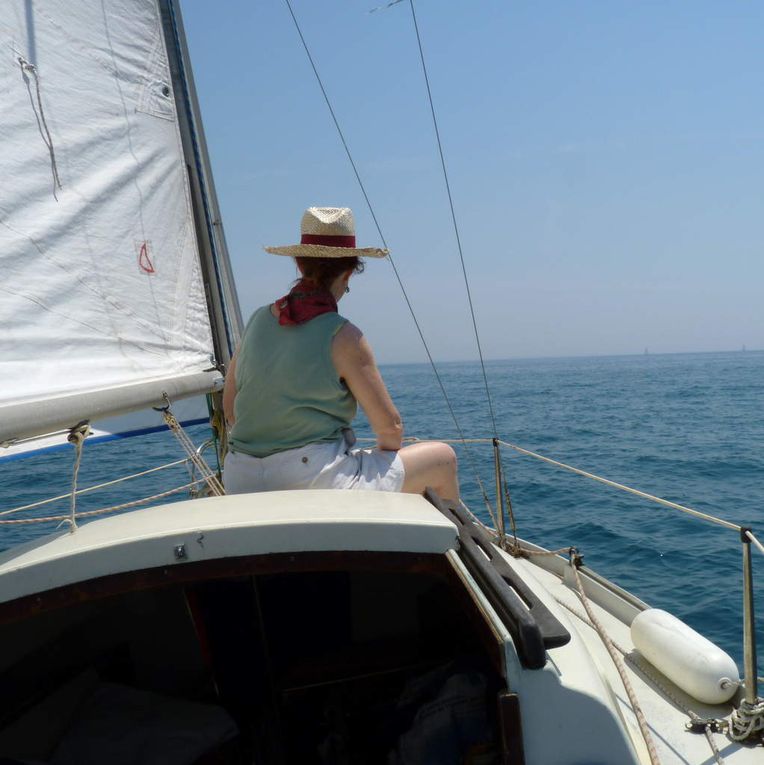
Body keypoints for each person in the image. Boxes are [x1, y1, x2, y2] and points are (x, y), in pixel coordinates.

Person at [223, 206, 459, 501]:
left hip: (239, 477)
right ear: (349, 273)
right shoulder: (344, 336)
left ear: (298, 264)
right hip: (312, 479)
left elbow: (230, 409)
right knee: (442, 458)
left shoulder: (257, 319)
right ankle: (452, 545)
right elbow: (390, 430)